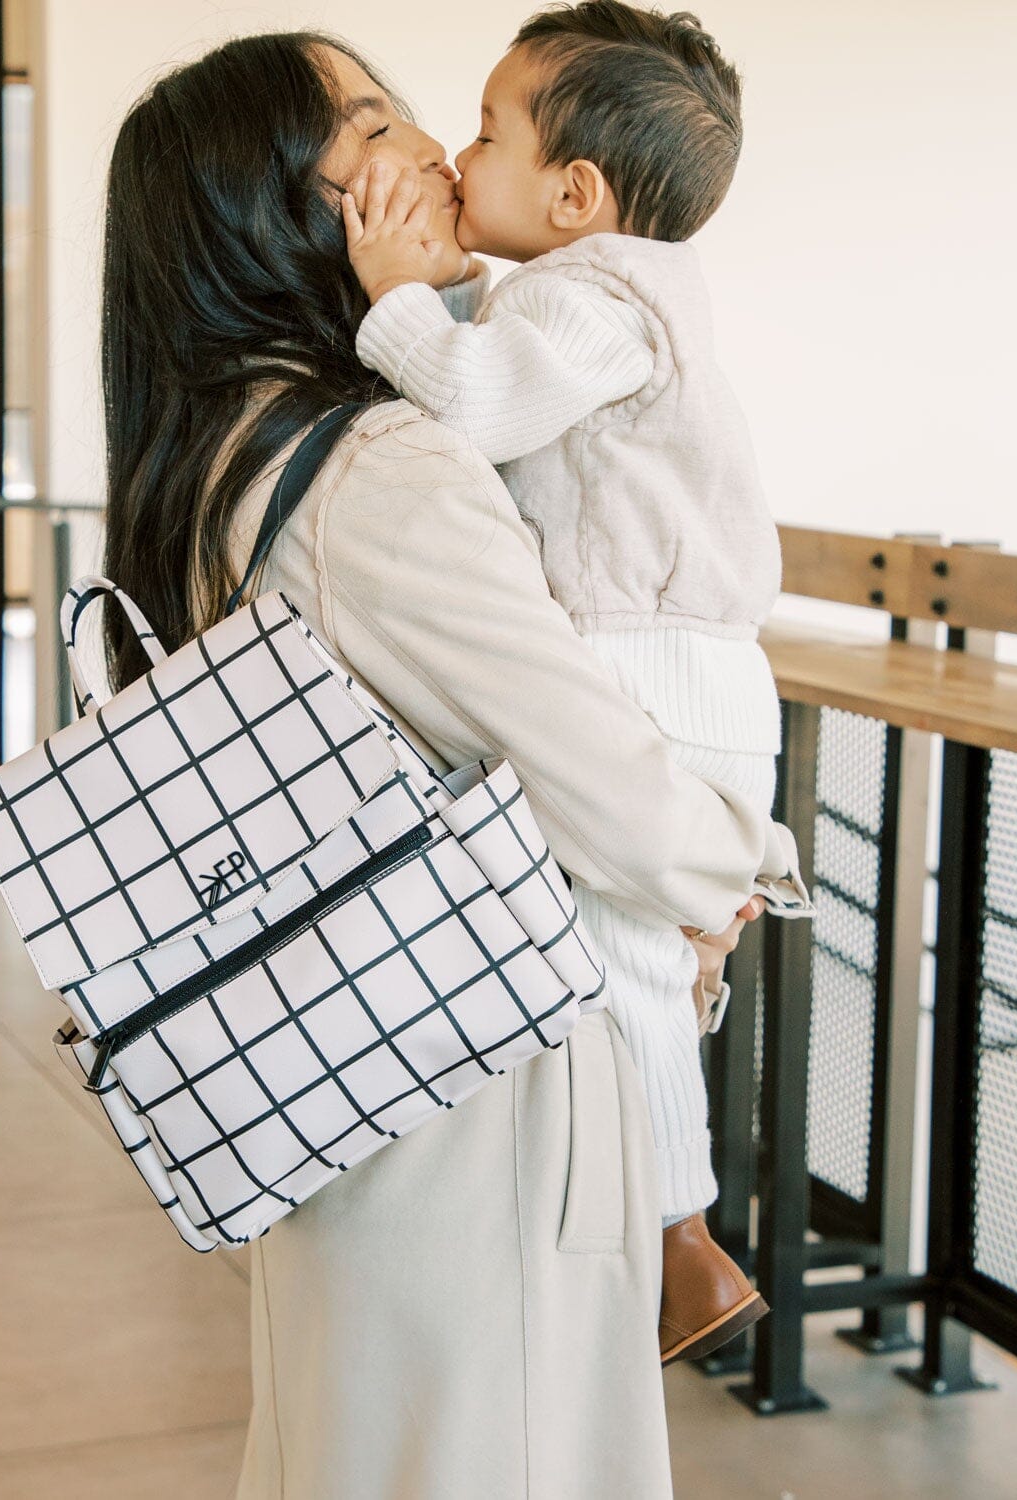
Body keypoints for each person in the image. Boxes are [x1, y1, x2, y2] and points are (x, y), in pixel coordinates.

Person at [98, 29, 804, 1499]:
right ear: (282, 204)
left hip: (334, 1049)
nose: (429, 143)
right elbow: (587, 762)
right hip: (483, 1091)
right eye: (372, 120)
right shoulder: (379, 470)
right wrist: (720, 871)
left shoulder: (220, 459)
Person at [339, 1, 796, 1367]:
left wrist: (393, 296)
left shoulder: (607, 297)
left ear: (577, 193)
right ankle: (665, 1215)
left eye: (486, 131)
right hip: (666, 659)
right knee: (620, 955)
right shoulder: (567, 296)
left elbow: (475, 404)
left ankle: (678, 1241)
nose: (459, 157)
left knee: (615, 967)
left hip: (653, 658)